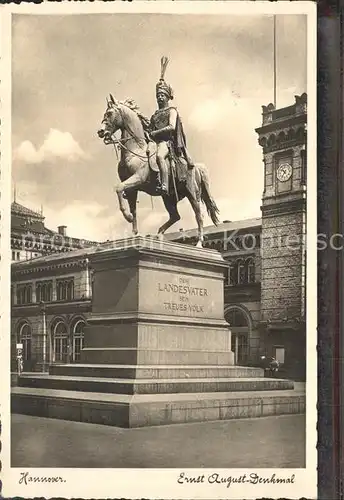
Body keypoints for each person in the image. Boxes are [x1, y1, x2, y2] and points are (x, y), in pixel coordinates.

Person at [149, 57, 194, 195]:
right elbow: (150, 129)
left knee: (160, 157)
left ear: (168, 97)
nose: (160, 98)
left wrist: (155, 134)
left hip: (166, 143)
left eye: (162, 95)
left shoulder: (172, 111)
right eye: (158, 95)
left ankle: (164, 185)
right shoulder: (155, 114)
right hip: (154, 143)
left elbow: (171, 127)